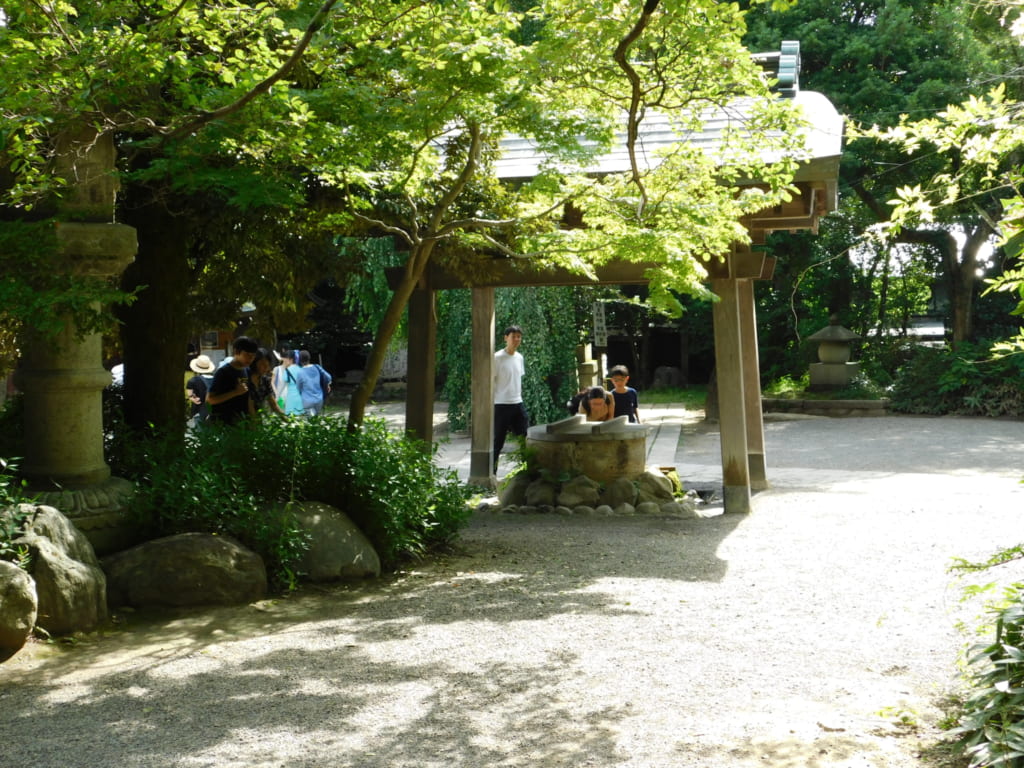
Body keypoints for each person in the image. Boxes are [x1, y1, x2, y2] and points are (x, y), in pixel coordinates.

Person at [493, 324, 529, 473]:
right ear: (505, 338)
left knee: (525, 439)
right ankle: (491, 473)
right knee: (498, 442)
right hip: (501, 404)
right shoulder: (497, 358)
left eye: (519, 337)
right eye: (513, 336)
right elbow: (490, 380)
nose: (516, 339)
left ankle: (526, 470)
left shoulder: (519, 357)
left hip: (517, 403)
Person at [206, 336, 259, 425]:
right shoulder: (223, 372)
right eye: (247, 355)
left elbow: (248, 398)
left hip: (242, 423)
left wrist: (253, 421)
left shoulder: (247, 370)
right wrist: (235, 392)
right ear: (236, 352)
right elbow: (210, 400)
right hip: (224, 424)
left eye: (253, 356)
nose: (250, 359)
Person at [247, 348, 285, 419]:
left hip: (257, 420)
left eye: (267, 364)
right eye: (262, 364)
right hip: (244, 421)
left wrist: (289, 421)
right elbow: (250, 407)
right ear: (253, 363)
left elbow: (273, 404)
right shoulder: (246, 380)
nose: (266, 367)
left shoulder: (265, 380)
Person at [296, 350, 332, 417]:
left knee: (310, 422)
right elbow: (328, 377)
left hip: (307, 400)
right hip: (319, 399)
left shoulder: (300, 372)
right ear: (309, 358)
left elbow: (298, 387)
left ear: (300, 359)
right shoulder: (317, 367)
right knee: (316, 420)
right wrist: (327, 384)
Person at [272, 348, 305, 417]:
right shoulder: (277, 369)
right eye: (288, 358)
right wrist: (276, 394)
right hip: (280, 398)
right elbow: (272, 383)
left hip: (292, 398)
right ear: (284, 358)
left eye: (291, 359)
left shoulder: (294, 369)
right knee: (282, 417)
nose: (290, 361)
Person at [185, 354, 217, 427]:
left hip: (200, 412)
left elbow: (191, 396)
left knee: (202, 436)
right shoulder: (216, 379)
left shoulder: (192, 381)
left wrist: (192, 398)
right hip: (214, 412)